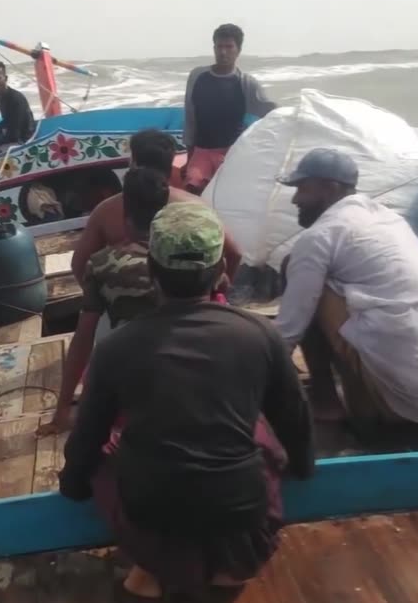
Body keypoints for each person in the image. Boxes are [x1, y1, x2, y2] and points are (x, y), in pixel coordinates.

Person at [58, 201, 314, 599]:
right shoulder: (260, 335)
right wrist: (303, 466)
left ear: (152, 274)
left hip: (151, 521)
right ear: (221, 274)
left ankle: (153, 570)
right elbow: (295, 419)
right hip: (246, 524)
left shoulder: (117, 348)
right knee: (257, 431)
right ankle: (226, 568)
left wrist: (73, 486)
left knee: (108, 453)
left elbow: (86, 439)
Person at [273, 147, 418, 435]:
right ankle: (362, 396)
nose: (296, 200)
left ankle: (325, 400)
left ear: (330, 188)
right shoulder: (390, 221)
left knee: (292, 268)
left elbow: (289, 330)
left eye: (302, 189)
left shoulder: (321, 234)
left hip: (402, 402)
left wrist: (253, 391)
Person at [37, 167, 171, 436]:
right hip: (184, 374)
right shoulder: (189, 256)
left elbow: (83, 336)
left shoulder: (103, 264)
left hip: (132, 382)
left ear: (125, 212)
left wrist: (63, 409)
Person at [70, 129, 243, 290]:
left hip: (129, 304)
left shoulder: (105, 210)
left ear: (134, 162)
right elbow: (234, 253)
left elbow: (78, 265)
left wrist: (104, 299)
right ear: (170, 163)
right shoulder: (196, 205)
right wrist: (218, 292)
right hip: (186, 299)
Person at [182, 24, 276, 194]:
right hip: (201, 151)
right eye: (219, 46)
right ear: (214, 48)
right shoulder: (197, 76)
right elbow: (190, 115)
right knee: (192, 188)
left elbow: (271, 113)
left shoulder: (246, 83)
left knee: (228, 194)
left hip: (231, 152)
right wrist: (189, 156)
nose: (223, 52)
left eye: (229, 47)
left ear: (238, 50)